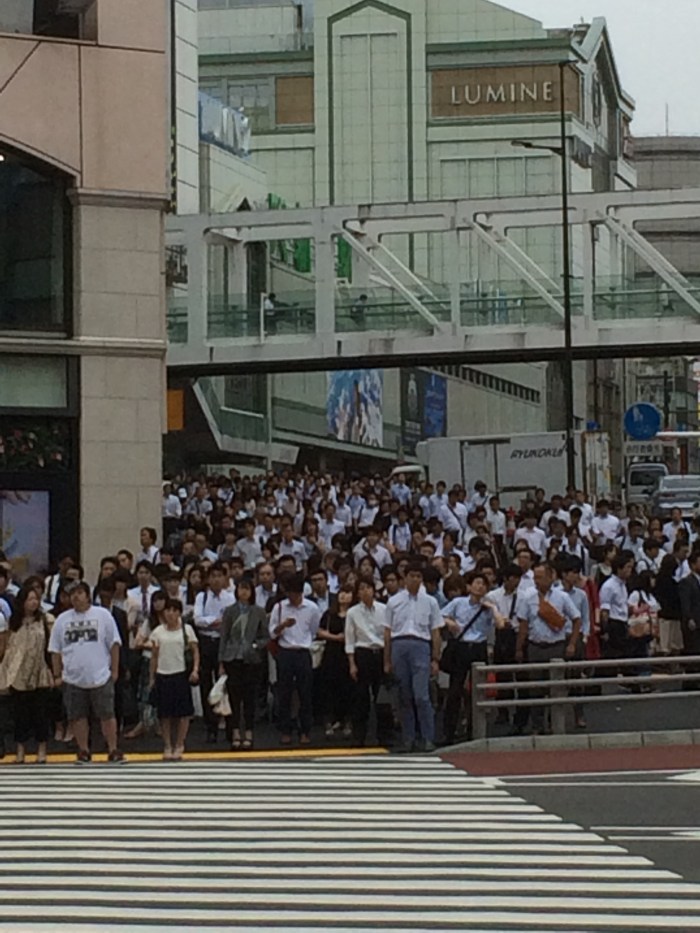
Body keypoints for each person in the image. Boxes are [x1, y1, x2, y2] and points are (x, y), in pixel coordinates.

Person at [48, 582, 125, 764]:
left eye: (80, 593)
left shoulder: (103, 615)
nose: (76, 597)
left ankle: (113, 749)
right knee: (77, 716)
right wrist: (57, 674)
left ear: (88, 595)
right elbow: (55, 650)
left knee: (107, 714)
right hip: (73, 677)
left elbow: (114, 643)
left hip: (100, 674)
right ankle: (83, 750)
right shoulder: (62, 620)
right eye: (72, 594)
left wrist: (114, 671)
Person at [384, 560, 442, 753]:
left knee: (421, 695)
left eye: (419, 576)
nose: (415, 580)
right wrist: (387, 659)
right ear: (404, 578)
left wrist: (435, 658)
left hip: (421, 645)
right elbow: (387, 632)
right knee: (404, 695)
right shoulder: (394, 601)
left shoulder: (431, 602)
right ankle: (408, 738)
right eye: (412, 576)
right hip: (399, 645)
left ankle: (428, 737)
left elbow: (435, 632)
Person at [515, 563, 581, 735]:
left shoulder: (562, 597)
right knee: (535, 689)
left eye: (540, 577)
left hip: (556, 646)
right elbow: (523, 623)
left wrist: (572, 643)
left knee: (556, 688)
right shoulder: (528, 597)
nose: (536, 581)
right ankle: (537, 726)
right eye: (535, 577)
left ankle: (556, 724)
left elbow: (576, 619)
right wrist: (519, 648)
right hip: (535, 646)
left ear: (551, 577)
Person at [440, 571, 498, 746]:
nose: (480, 586)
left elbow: (500, 623)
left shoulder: (488, 606)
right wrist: (451, 623)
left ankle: (475, 730)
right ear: (469, 586)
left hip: (478, 648)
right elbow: (441, 616)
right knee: (455, 690)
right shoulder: (458, 602)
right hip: (461, 647)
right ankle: (449, 732)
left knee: (476, 691)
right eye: (477, 583)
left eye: (483, 584)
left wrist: (493, 608)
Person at [0, 586, 54, 764]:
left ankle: (41, 749)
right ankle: (20, 749)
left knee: (40, 713)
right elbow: (9, 648)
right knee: (20, 714)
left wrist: (54, 671)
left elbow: (50, 649)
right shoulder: (14, 623)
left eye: (36, 599)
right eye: (30, 599)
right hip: (18, 673)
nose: (33, 602)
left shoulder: (45, 620)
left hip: (40, 672)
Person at [268, 573, 321, 745]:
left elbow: (314, 630)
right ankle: (285, 729)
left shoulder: (312, 608)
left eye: (295, 593)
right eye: (289, 593)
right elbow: (271, 633)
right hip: (285, 651)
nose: (292, 597)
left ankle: (305, 729)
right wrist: (283, 625)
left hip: (303, 652)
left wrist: (305, 641)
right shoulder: (280, 607)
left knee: (305, 692)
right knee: (285, 692)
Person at [218, 578, 268, 750]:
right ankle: (235, 733)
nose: (244, 592)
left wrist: (255, 645)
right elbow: (223, 636)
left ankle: (249, 731)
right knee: (233, 698)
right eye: (241, 589)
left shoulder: (259, 611)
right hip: (232, 658)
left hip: (251, 659)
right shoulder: (229, 611)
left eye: (247, 589)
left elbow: (265, 636)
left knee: (249, 698)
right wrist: (221, 661)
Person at [149, 598, 199, 760]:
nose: (171, 614)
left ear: (179, 612)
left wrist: (195, 670)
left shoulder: (187, 630)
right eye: (168, 610)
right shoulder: (158, 631)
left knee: (183, 713)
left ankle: (180, 743)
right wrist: (152, 677)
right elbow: (154, 656)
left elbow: (195, 651)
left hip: (181, 674)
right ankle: (167, 745)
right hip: (163, 675)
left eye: (174, 610)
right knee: (165, 714)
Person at [345, 579, 393, 747]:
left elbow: (389, 635)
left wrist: (388, 659)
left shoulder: (384, 609)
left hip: (380, 653)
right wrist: (352, 663)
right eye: (362, 589)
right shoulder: (352, 612)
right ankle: (359, 736)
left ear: (374, 590)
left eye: (368, 588)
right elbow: (350, 640)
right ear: (357, 593)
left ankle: (385, 736)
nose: (365, 591)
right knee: (360, 698)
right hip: (362, 654)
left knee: (383, 697)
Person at [194, 561, 235, 743]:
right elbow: (197, 619)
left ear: (225, 578)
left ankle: (228, 724)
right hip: (206, 641)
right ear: (208, 579)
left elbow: (232, 620)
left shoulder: (230, 597)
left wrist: (215, 622)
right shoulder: (201, 597)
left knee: (227, 682)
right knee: (206, 683)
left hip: (224, 642)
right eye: (213, 576)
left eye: (220, 576)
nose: (216, 580)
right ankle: (210, 726)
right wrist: (215, 621)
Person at [317, 585, 353, 738]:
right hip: (332, 654)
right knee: (329, 688)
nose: (343, 596)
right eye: (341, 593)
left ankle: (347, 721)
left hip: (349, 654)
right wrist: (335, 637)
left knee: (348, 689)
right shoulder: (329, 614)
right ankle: (330, 721)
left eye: (347, 593)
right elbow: (319, 630)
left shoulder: (354, 613)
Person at [598, 551, 636, 671]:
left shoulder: (623, 585)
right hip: (613, 624)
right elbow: (604, 610)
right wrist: (605, 630)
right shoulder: (609, 586)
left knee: (626, 655)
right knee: (612, 657)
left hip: (622, 623)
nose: (630, 570)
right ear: (619, 569)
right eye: (628, 567)